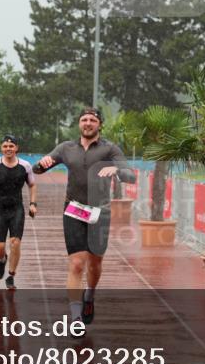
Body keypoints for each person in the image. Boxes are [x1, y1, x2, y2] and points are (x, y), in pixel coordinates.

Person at [34, 107, 136, 329]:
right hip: (73, 209)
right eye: (84, 119)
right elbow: (39, 168)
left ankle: (89, 295)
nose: (87, 123)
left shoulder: (109, 149)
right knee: (77, 263)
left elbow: (131, 176)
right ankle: (76, 317)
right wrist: (41, 165)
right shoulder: (66, 148)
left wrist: (116, 170)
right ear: (79, 124)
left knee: (95, 263)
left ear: (99, 124)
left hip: (100, 212)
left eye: (92, 120)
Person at [0, 134, 37, 290]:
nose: (8, 149)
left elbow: (32, 185)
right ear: (1, 148)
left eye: (11, 146)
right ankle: (2, 260)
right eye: (5, 146)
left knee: (15, 243)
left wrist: (33, 203)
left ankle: (11, 275)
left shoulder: (25, 166)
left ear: (16, 148)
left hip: (17, 208)